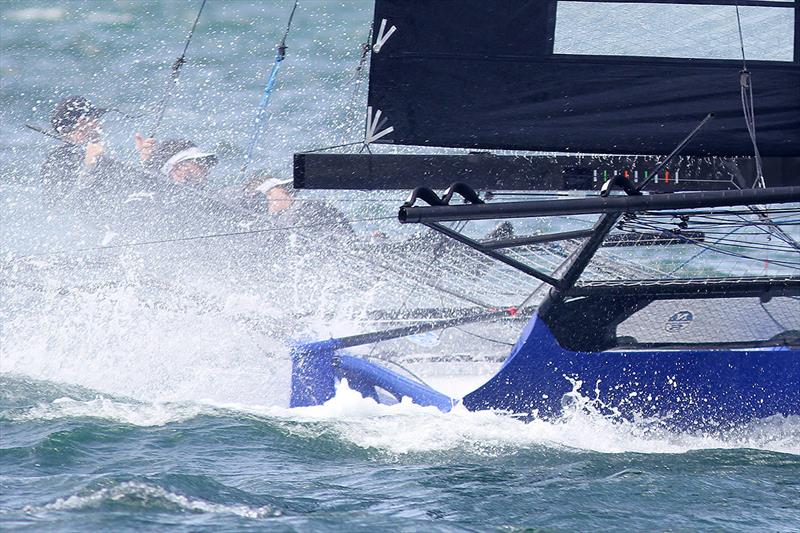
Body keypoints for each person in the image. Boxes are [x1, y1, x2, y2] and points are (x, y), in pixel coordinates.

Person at [40, 96, 114, 208]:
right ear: (82, 122)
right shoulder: (59, 161)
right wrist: (89, 168)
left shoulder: (92, 154)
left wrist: (148, 162)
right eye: (95, 118)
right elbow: (59, 210)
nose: (99, 125)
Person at [137, 137, 218, 187]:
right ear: (175, 167)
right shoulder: (151, 192)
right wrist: (146, 164)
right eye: (198, 161)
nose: (206, 168)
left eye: (206, 163)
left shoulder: (210, 196)